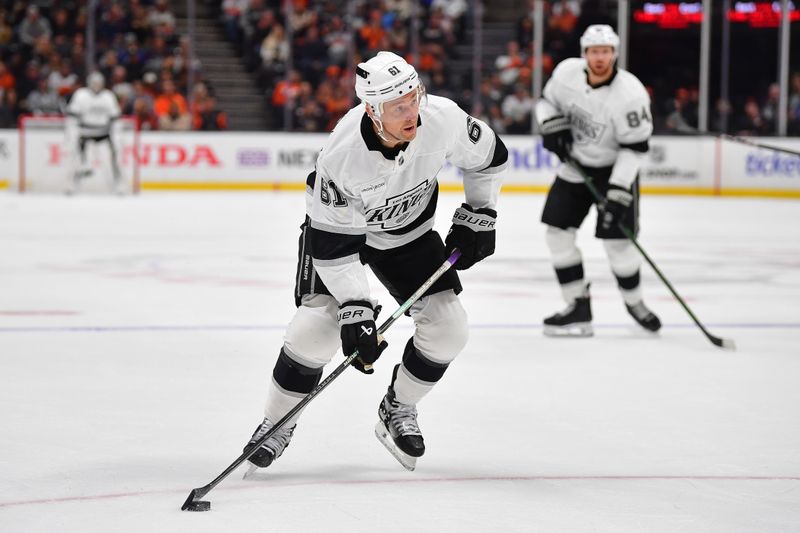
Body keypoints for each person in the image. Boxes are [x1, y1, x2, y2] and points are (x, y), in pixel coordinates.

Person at [244, 51, 508, 471]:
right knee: (318, 329)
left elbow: (490, 158)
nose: (411, 112)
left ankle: (398, 407)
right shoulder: (342, 156)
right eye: (398, 106)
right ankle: (276, 424)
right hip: (341, 237)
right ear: (372, 110)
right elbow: (333, 249)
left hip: (407, 234)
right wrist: (356, 310)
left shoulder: (443, 118)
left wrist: (480, 214)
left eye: (413, 97)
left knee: (448, 328)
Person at [535, 24, 661, 337]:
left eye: (605, 51)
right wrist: (551, 125)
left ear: (614, 53)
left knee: (618, 244)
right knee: (557, 234)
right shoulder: (566, 74)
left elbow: (636, 149)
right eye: (594, 51)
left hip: (615, 170)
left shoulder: (630, 95)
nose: (599, 57)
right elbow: (545, 102)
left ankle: (635, 302)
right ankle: (577, 305)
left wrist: (618, 191)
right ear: (584, 53)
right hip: (576, 167)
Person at [66, 72, 123, 194]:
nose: (96, 85)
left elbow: (115, 117)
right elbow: (73, 115)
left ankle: (118, 184)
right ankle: (71, 185)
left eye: (99, 83)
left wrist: (116, 136)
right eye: (94, 83)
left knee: (114, 157)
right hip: (85, 132)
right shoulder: (81, 95)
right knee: (75, 158)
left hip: (103, 132)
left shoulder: (108, 96)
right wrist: (73, 134)